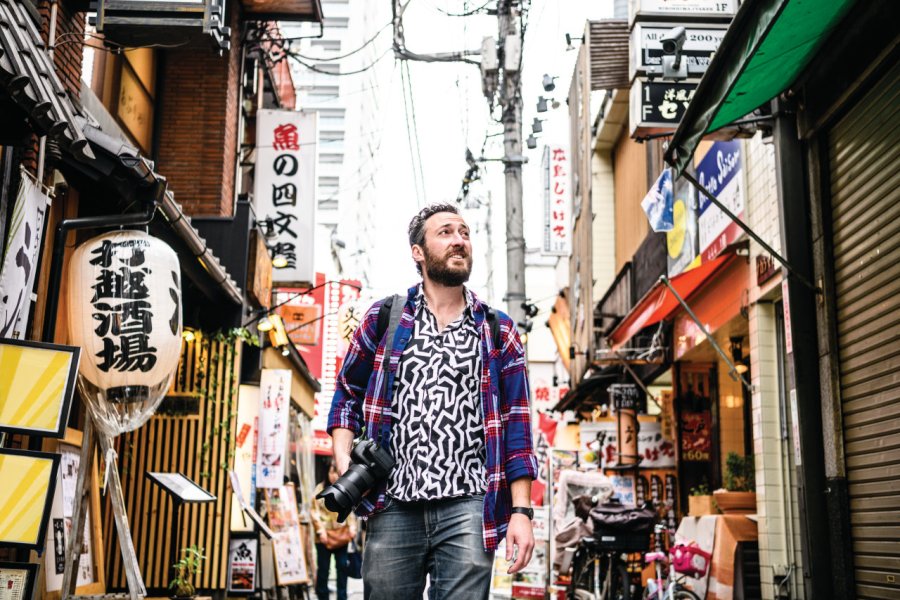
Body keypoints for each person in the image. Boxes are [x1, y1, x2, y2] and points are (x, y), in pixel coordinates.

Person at [328, 203, 538, 599]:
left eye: (464, 232)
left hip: (470, 506)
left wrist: (522, 513)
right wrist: (345, 463)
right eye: (445, 232)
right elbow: (346, 396)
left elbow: (518, 431)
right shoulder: (383, 318)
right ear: (418, 252)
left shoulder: (498, 330)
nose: (459, 240)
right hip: (393, 502)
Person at [311, 461, 358, 600]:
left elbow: (350, 510)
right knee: (324, 569)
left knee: (342, 568)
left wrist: (353, 527)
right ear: (327, 473)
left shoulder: (345, 488)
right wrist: (321, 531)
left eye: (336, 472)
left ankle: (342, 597)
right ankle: (322, 596)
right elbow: (314, 512)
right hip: (323, 537)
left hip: (341, 536)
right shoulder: (320, 488)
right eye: (332, 471)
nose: (334, 475)